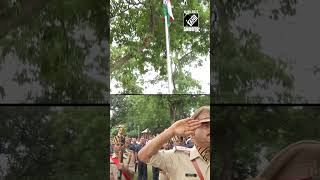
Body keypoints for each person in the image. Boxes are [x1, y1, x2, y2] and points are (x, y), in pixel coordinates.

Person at [138, 106, 210, 180]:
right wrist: (171, 131)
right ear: (192, 130)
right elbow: (143, 156)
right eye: (206, 125)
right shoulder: (177, 157)